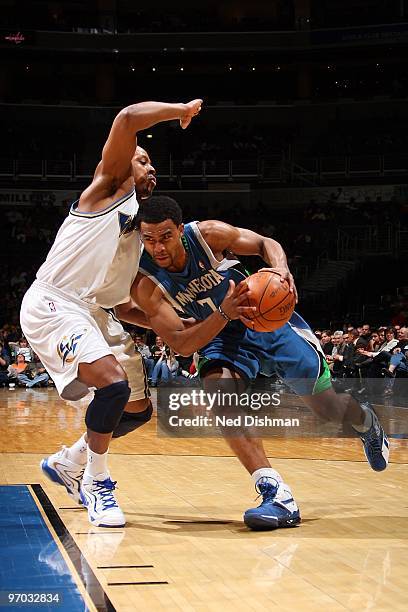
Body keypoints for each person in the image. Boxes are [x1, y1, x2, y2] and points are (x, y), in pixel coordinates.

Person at [116, 196, 389, 531]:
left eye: (166, 237)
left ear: (179, 229)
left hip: (267, 324)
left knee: (327, 410)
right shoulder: (146, 282)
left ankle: (366, 422)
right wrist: (220, 314)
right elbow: (179, 343)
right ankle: (275, 493)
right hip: (220, 336)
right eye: (150, 239)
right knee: (221, 396)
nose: (158, 247)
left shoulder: (208, 235)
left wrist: (280, 269)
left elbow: (263, 243)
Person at [20, 99, 213, 528]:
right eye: (143, 160)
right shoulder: (106, 191)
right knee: (112, 386)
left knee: (139, 410)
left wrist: (175, 327)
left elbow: (126, 305)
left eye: (152, 164)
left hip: (97, 312)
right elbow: (127, 118)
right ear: (123, 163)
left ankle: (71, 461)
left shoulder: (140, 238)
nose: (150, 168)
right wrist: (179, 110)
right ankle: (96, 481)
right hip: (55, 302)